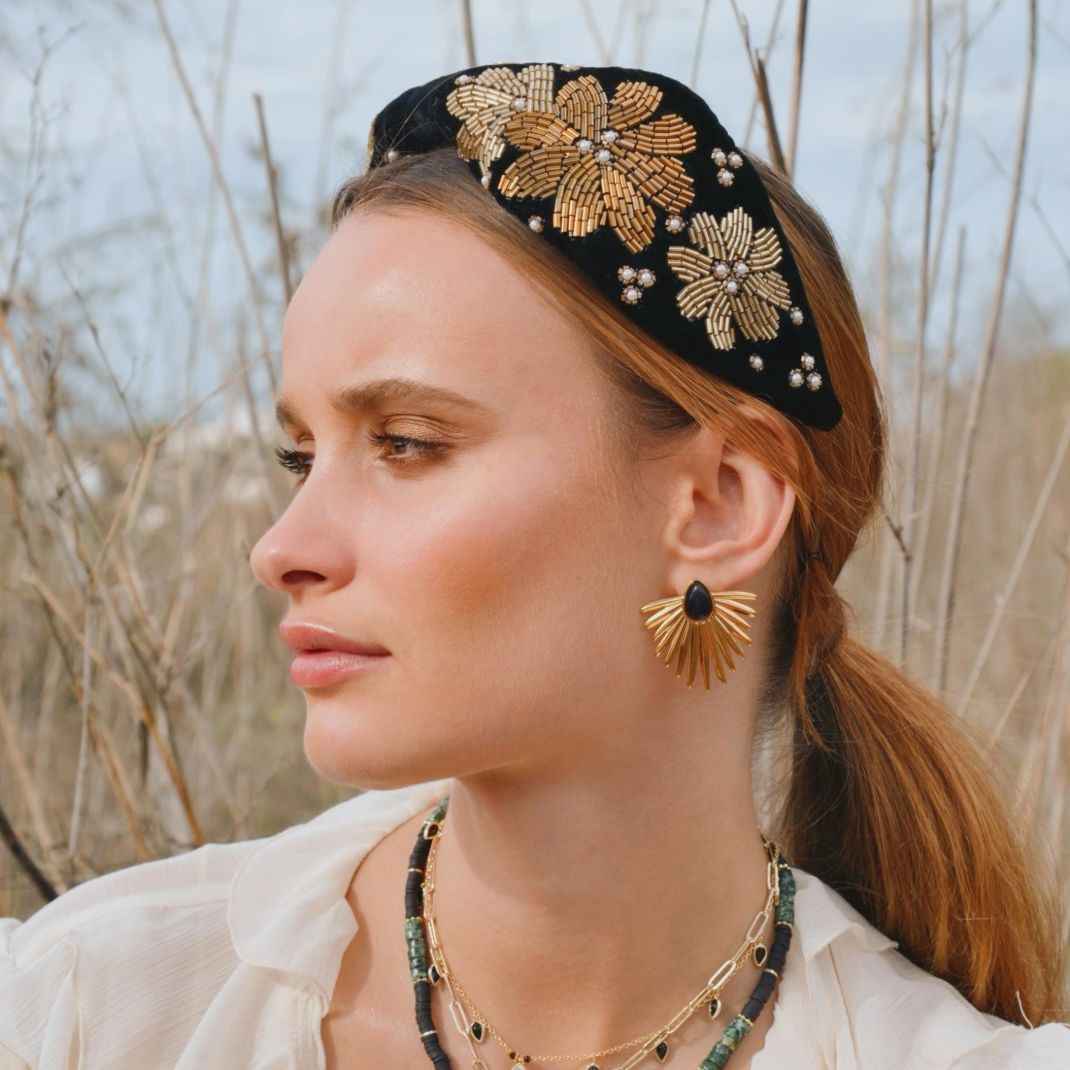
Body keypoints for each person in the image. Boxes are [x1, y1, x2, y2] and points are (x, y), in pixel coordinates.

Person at [2, 61, 1069, 1070]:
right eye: (298, 454)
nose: (281, 545)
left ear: (716, 504)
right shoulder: (101, 1008)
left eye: (408, 441)